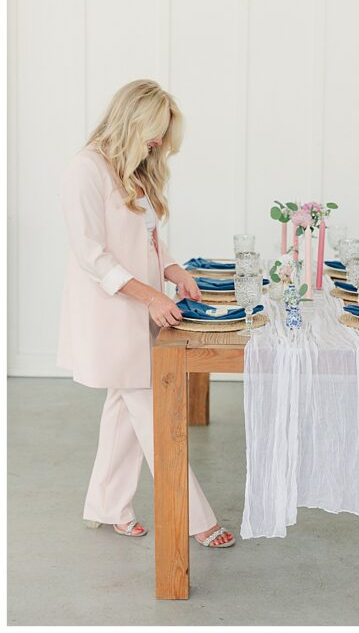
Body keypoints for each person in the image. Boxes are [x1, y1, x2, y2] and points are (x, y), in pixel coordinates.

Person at [57, 79, 234, 548]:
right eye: (153, 132)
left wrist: (172, 270)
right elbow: (90, 254)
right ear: (131, 119)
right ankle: (197, 519)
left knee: (125, 404)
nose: (157, 143)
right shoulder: (86, 169)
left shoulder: (132, 167)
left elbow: (148, 234)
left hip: (143, 305)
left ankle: (107, 505)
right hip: (113, 310)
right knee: (153, 412)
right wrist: (152, 296)